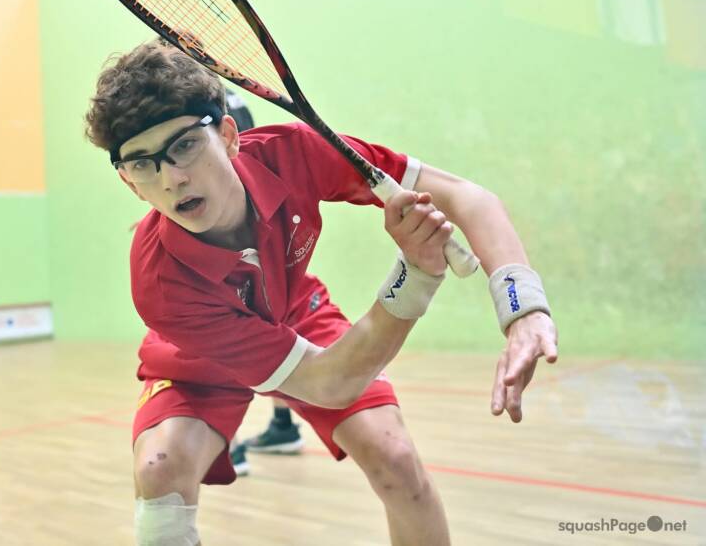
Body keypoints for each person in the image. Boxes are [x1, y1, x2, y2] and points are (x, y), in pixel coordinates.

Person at [84, 40, 558, 545]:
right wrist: (416, 276)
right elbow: (329, 383)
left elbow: (465, 196)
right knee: (160, 474)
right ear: (129, 182)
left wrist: (523, 307)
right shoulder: (159, 286)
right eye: (143, 164)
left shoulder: (293, 153)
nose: (172, 179)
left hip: (295, 310)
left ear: (228, 136)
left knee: (395, 459)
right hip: (195, 354)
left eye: (184, 146)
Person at [222, 90, 304, 477]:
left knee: (219, 338)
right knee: (275, 327)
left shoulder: (194, 101)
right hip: (265, 230)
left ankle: (231, 446)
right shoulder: (231, 98)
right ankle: (283, 425)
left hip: (229, 235)